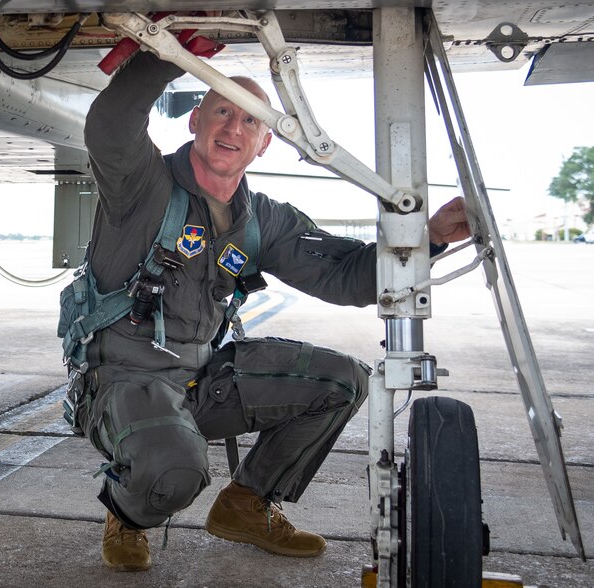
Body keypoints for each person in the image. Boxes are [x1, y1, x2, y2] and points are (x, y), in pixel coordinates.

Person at [72, 48, 471, 572]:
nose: (233, 127)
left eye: (250, 121)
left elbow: (344, 275)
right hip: (122, 384)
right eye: (222, 110)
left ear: (263, 144)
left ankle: (248, 503)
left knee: (344, 383)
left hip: (198, 382)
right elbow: (110, 122)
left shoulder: (261, 219)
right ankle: (127, 511)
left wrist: (431, 239)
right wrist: (171, 53)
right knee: (173, 474)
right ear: (195, 120)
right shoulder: (140, 183)